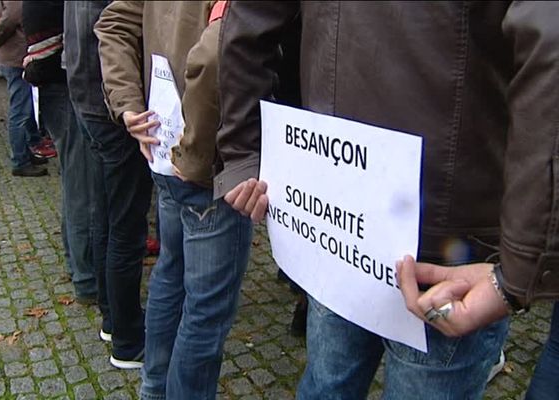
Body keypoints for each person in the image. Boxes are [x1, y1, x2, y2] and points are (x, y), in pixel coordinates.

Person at [211, 1, 559, 398]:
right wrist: (522, 269)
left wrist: (242, 150)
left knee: (327, 385)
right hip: (404, 233)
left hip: (348, 218)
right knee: (329, 382)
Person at [95, 1, 253, 398]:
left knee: (171, 273)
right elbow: (215, 56)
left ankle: (154, 389)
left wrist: (128, 104)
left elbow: (113, 22)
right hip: (201, 156)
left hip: (168, 145)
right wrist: (197, 155)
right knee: (204, 307)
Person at [64, 0, 153, 369]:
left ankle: (112, 318)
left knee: (106, 213)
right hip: (112, 105)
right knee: (126, 225)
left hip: (87, 94)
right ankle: (128, 339)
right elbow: (114, 29)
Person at [21, 0, 97, 304]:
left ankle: (78, 265)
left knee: (74, 182)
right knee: (81, 187)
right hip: (65, 84)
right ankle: (86, 277)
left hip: (57, 84)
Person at [0, 0, 48, 177]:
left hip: (11, 55)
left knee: (24, 108)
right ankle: (20, 161)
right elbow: (12, 17)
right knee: (20, 110)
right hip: (15, 56)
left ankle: (26, 154)